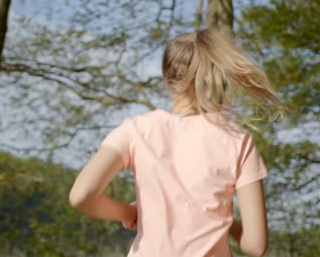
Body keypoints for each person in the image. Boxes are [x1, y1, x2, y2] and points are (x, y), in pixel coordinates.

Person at [69, 29, 283, 257]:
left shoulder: (136, 130)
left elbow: (81, 195)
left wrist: (128, 213)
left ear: (168, 79)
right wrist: (223, 221)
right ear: (217, 76)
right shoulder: (238, 140)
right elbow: (255, 246)